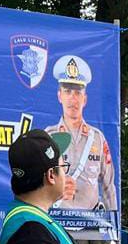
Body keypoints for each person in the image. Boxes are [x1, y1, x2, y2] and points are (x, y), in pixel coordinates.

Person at [45, 54, 116, 211]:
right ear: (60, 96)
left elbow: (108, 185)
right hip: (57, 222)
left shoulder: (97, 138)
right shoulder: (48, 137)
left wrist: (114, 224)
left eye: (77, 93)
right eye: (68, 91)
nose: (73, 98)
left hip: (91, 226)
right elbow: (37, 184)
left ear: (84, 99)